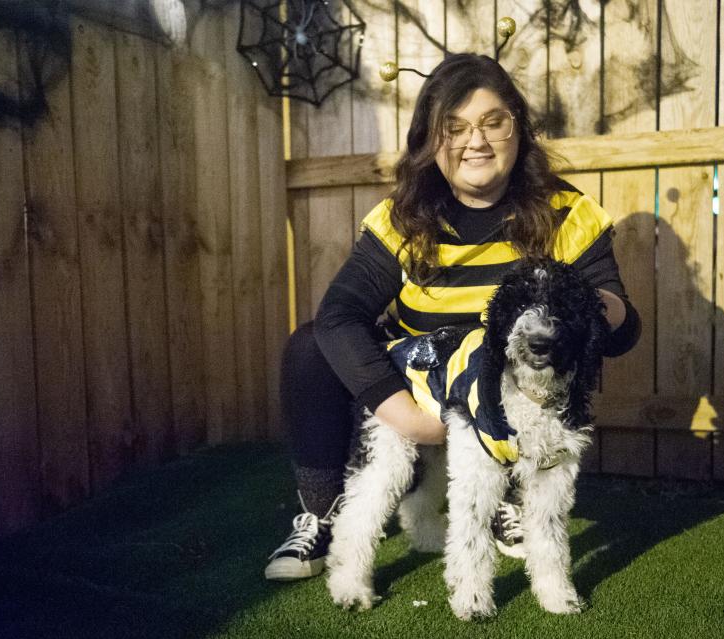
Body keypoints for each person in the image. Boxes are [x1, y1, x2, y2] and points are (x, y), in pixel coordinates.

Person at [265, 53, 641, 580]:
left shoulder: (567, 213)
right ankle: (322, 512)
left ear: (519, 127)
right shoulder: (402, 218)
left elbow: (622, 335)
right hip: (422, 389)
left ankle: (507, 499)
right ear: (430, 140)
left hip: (508, 401)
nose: (476, 142)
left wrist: (588, 299)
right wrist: (413, 420)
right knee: (309, 344)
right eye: (455, 128)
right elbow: (339, 317)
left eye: (493, 122)